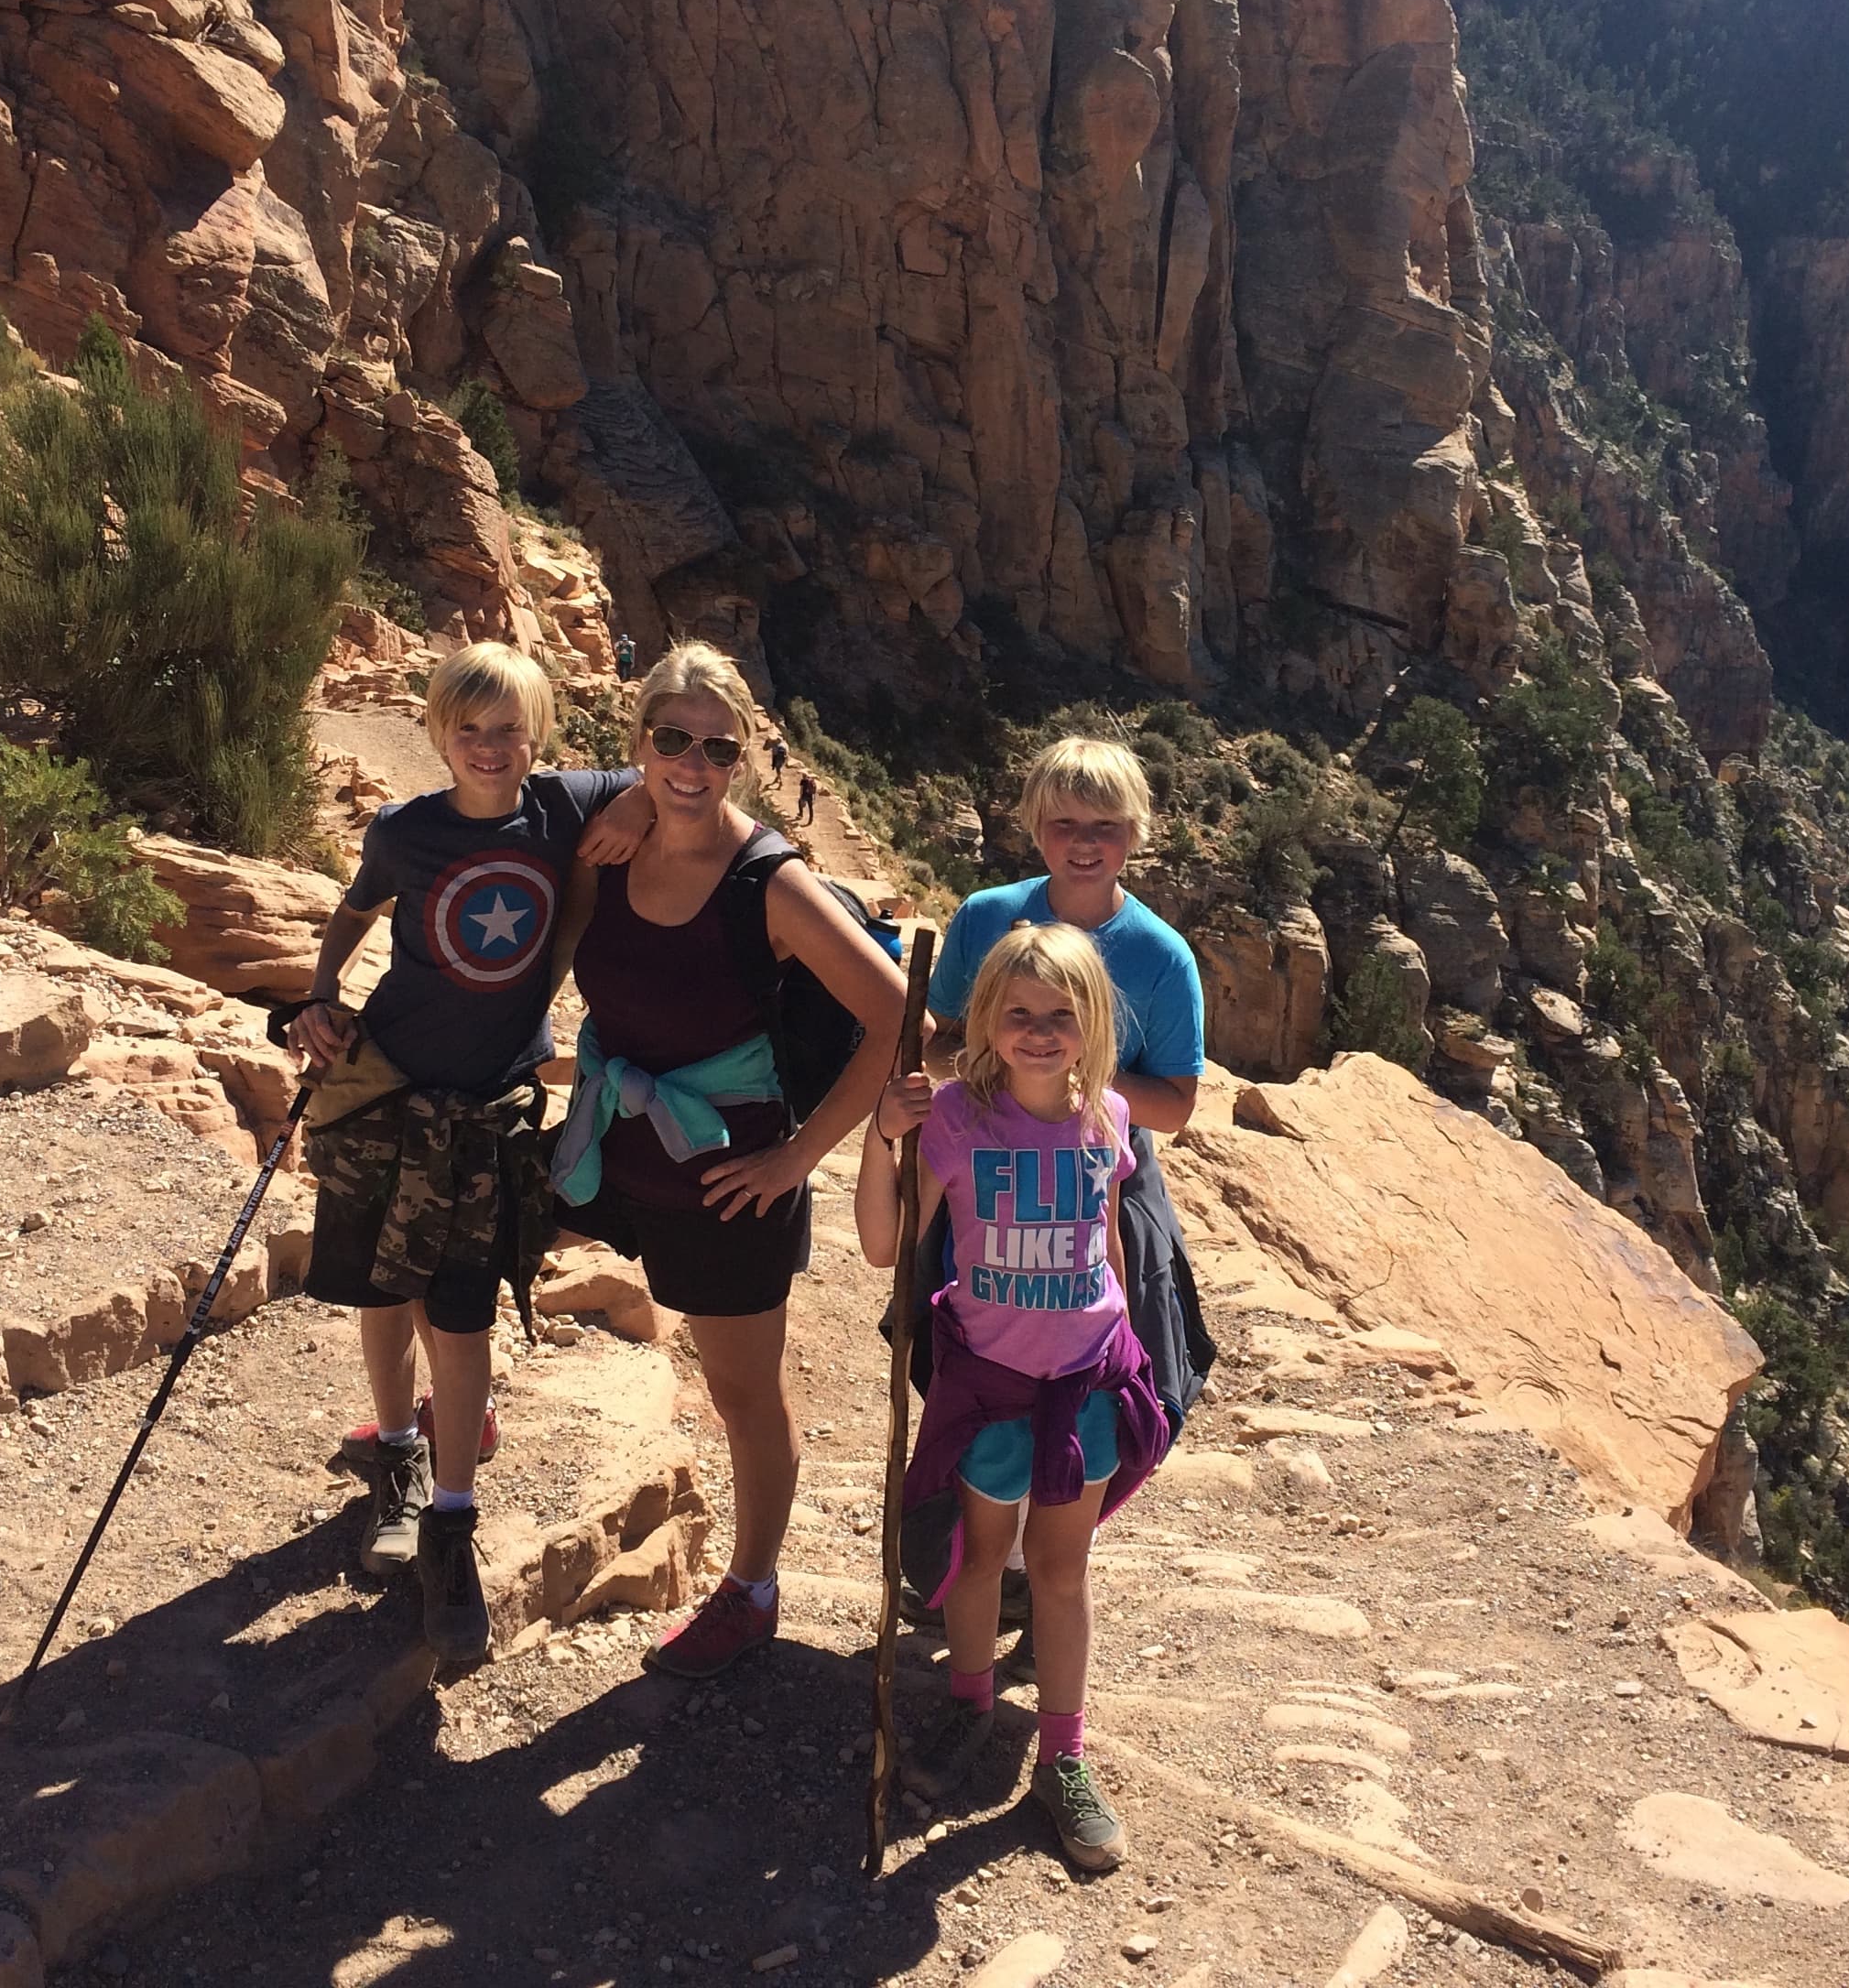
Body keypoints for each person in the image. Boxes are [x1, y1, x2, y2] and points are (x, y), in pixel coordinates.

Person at [550, 642, 907, 1676]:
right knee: (486, 1225)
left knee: (742, 1394)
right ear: (638, 743)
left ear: (746, 756)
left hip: (726, 1176)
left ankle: (752, 1589)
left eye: (716, 747)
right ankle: (451, 1423)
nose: (692, 765)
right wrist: (626, 799)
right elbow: (498, 771)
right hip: (617, 1138)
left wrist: (796, 1161)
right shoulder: (607, 842)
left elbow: (892, 1022)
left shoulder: (775, 886)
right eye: (670, 741)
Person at [287, 645, 642, 1664]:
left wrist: (624, 810)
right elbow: (354, 913)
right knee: (379, 1288)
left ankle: (452, 1517)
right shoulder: (405, 830)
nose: (490, 747)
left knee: (462, 1305)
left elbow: (664, 773)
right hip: (390, 1084)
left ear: (539, 732)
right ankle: (397, 1456)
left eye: (510, 728)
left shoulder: (562, 807)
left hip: (491, 1107)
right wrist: (319, 993)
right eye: (469, 729)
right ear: (438, 732)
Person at [855, 924, 1169, 1872]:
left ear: (1093, 1024)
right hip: (990, 1383)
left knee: (1062, 1568)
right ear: (984, 1018)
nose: (1039, 1031)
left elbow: (1106, 1242)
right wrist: (882, 1134)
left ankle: (1063, 1754)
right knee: (980, 1554)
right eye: (1018, 1012)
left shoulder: (1108, 1117)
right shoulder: (950, 1120)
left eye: (1061, 1015)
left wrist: (1132, 1358)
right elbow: (882, 1242)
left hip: (1082, 1381)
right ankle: (970, 1704)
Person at [925, 737, 1215, 1432]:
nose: (1084, 844)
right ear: (1034, 826)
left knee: (1118, 1370)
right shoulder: (984, 918)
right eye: (1064, 824)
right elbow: (939, 1043)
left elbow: (1174, 1106)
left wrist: (1076, 1077)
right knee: (956, 1340)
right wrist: (1002, 1073)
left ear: (1135, 833)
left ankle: (1067, 1506)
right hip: (986, 1161)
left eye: (1105, 827)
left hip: (1102, 1172)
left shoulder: (1162, 956)